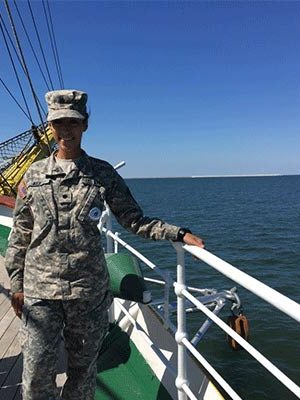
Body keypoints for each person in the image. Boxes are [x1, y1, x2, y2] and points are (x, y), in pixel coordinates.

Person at [5, 89, 205, 400]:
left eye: (73, 122)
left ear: (85, 124)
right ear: (51, 128)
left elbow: (133, 219)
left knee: (83, 376)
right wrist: (16, 283)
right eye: (59, 123)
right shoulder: (33, 175)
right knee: (34, 378)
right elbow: (20, 233)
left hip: (88, 293)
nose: (66, 130)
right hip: (40, 290)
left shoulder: (102, 173)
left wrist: (176, 233)